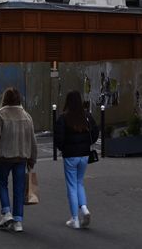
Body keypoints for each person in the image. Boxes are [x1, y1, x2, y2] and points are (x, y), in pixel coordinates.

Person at [0, 87, 37, 233]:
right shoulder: (27, 116)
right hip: (22, 157)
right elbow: (32, 140)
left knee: (2, 182)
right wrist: (32, 159)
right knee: (19, 188)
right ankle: (18, 221)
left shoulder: (0, 115)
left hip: (4, 156)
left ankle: (6, 212)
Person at [54, 90, 99, 229]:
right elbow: (95, 132)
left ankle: (75, 219)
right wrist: (87, 145)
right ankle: (84, 209)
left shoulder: (63, 118)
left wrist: (63, 148)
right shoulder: (86, 116)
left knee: (72, 186)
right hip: (84, 155)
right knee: (79, 183)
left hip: (70, 156)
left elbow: (58, 138)